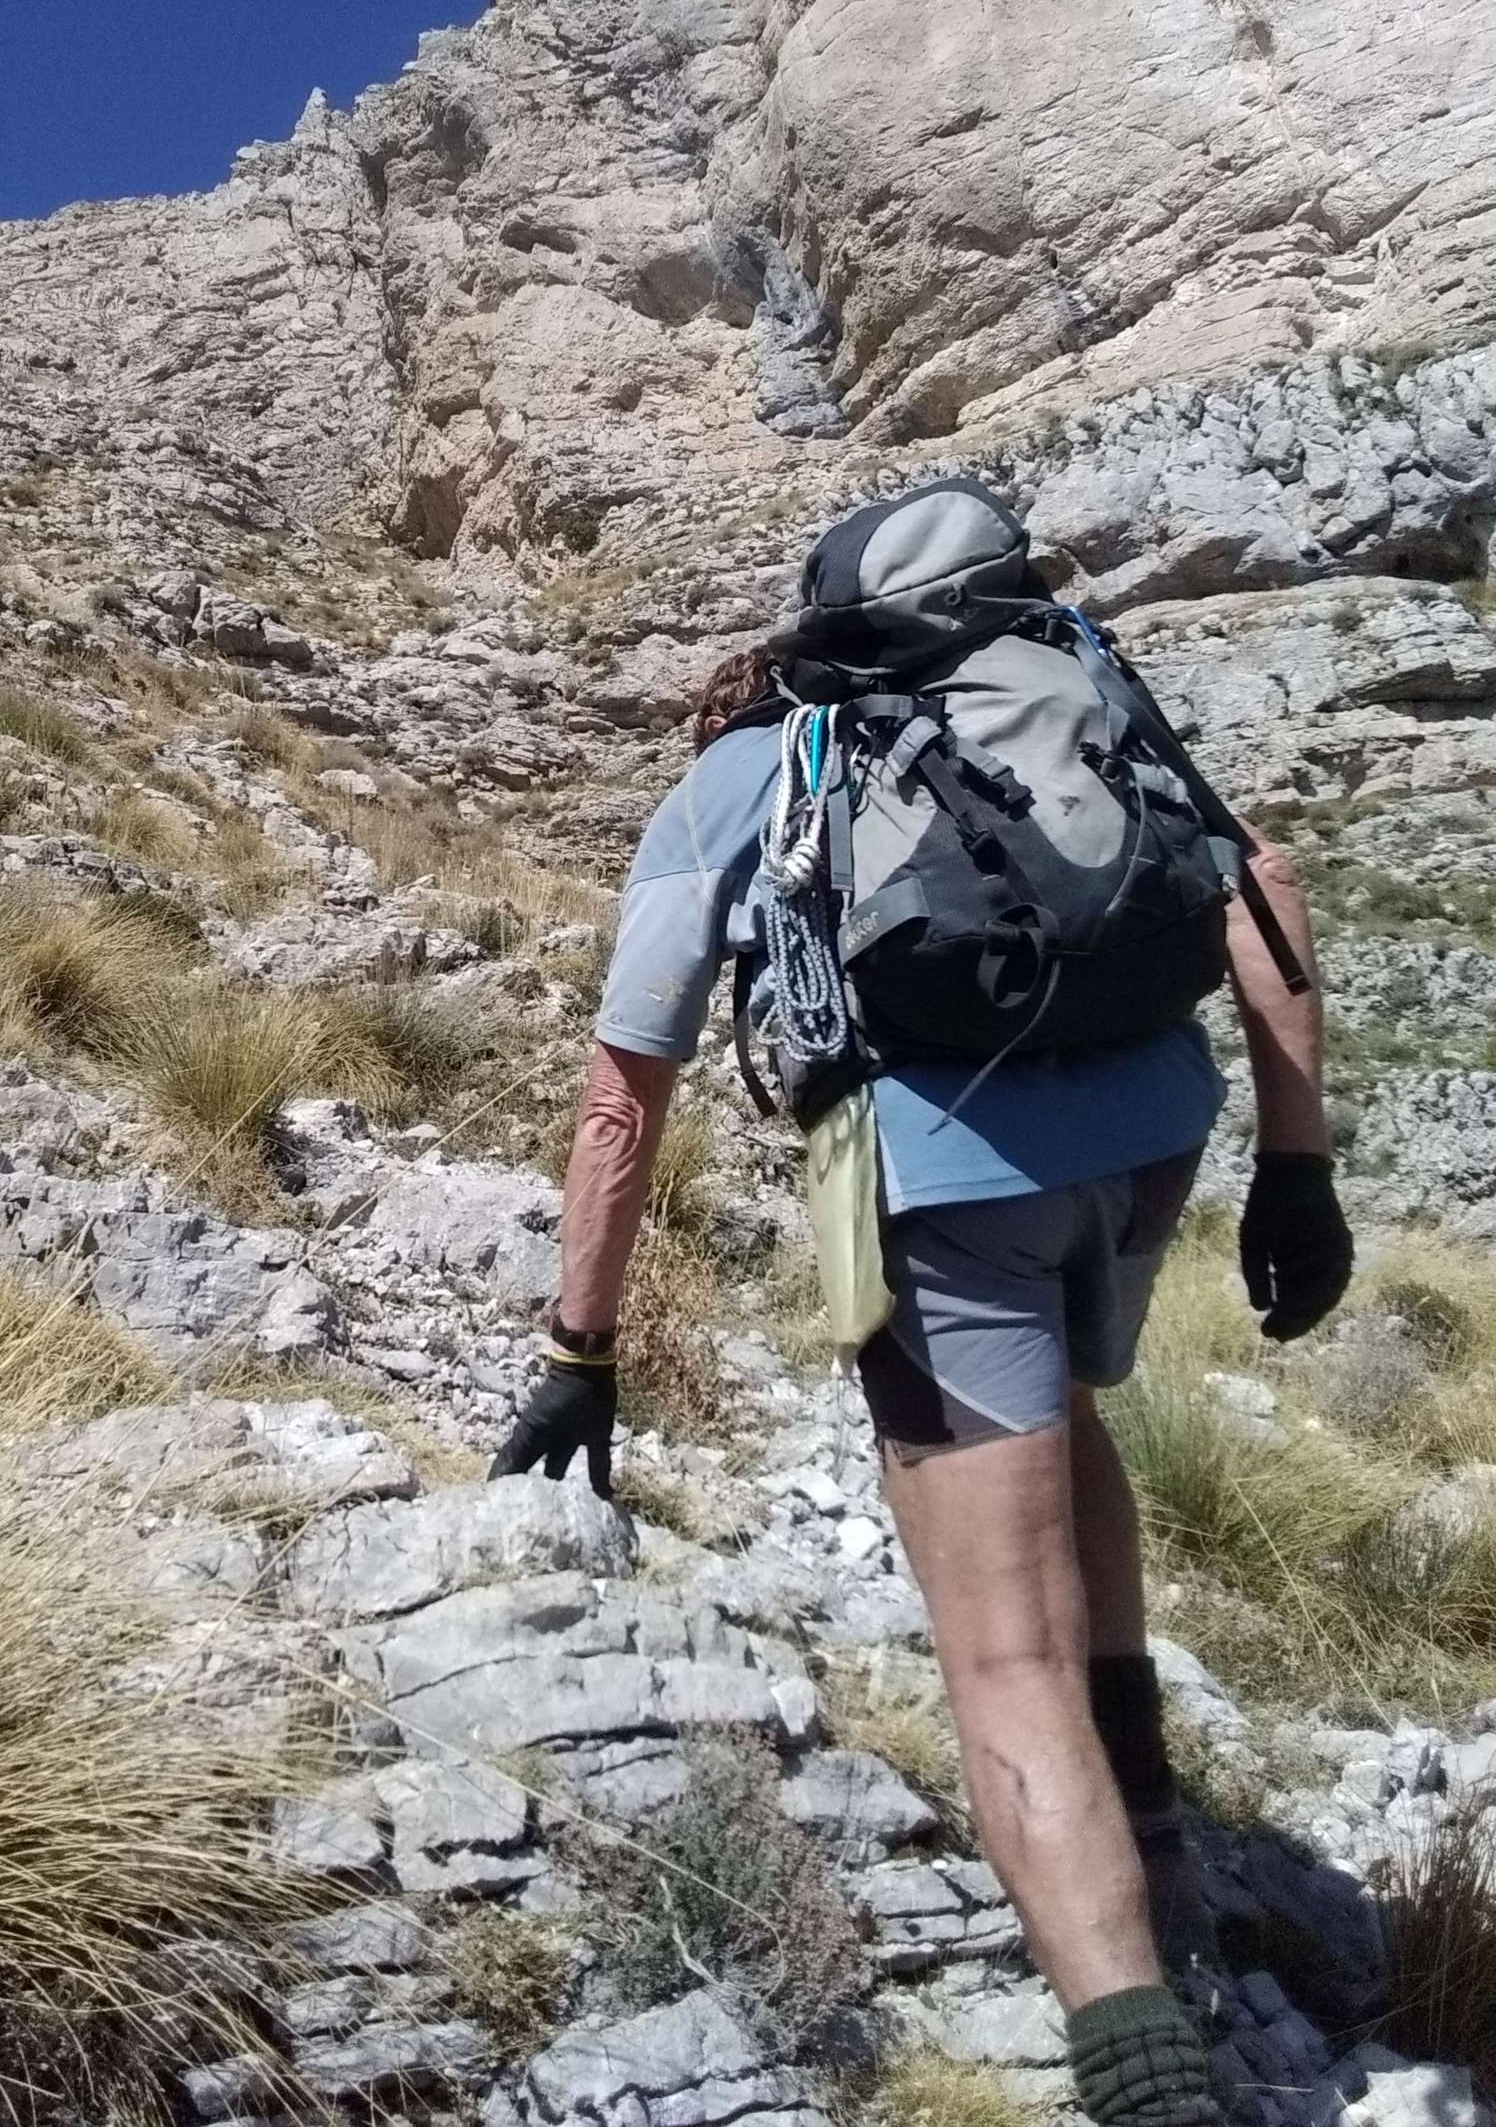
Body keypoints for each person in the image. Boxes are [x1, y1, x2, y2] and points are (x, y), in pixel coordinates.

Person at [491, 576, 1353, 2127]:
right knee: (1062, 1414)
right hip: (1151, 1142)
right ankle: (1154, 1841)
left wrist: (583, 1347)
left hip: (945, 1191)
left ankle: (1144, 2070)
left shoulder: (745, 775)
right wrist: (1300, 1168)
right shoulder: (1048, 701)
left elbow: (624, 1098)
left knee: (1004, 1658)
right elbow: (1265, 880)